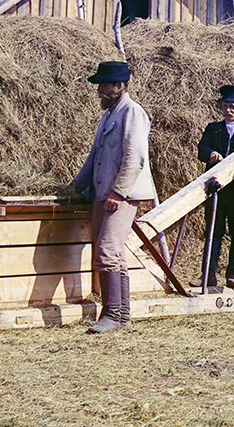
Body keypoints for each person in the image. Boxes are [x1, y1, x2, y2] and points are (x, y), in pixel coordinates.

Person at [71, 61, 155, 334]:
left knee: (107, 251)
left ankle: (111, 315)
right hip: (103, 191)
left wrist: (118, 192)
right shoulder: (109, 115)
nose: (100, 91)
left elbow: (135, 157)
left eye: (105, 86)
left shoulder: (133, 112)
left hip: (121, 195)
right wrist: (74, 186)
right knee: (113, 254)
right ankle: (122, 317)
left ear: (120, 86)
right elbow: (94, 156)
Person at [189, 86, 234, 288]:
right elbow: (202, 149)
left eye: (233, 106)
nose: (228, 110)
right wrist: (210, 153)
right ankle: (208, 275)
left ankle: (233, 274)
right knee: (213, 230)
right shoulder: (213, 128)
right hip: (214, 189)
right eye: (225, 106)